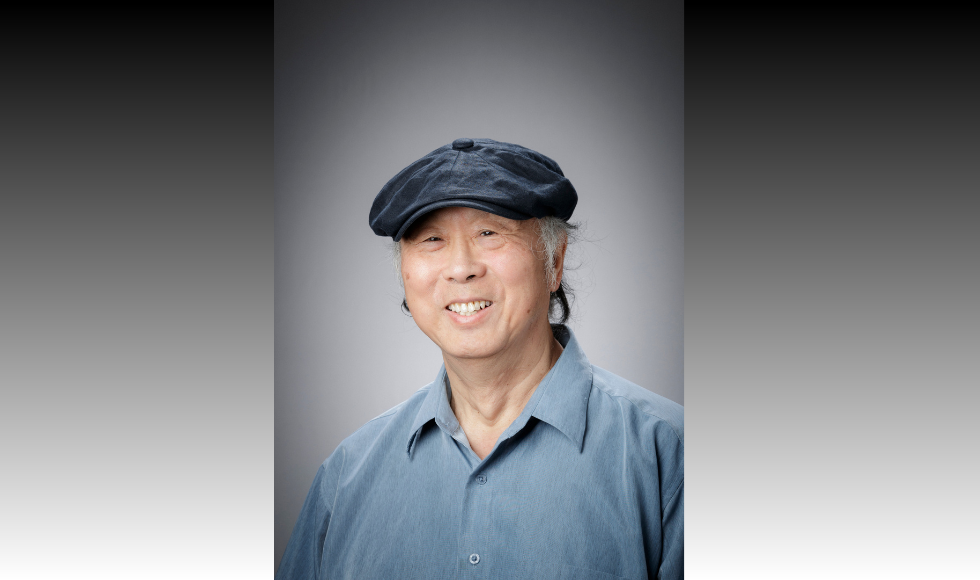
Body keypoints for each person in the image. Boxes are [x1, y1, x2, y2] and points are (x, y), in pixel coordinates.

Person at [276, 138, 684, 580]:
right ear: (406, 278)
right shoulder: (346, 477)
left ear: (555, 262)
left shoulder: (668, 457)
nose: (461, 268)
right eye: (432, 239)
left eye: (489, 233)